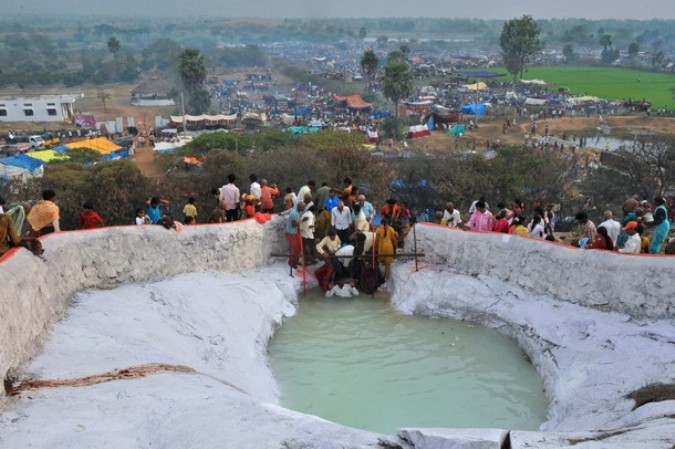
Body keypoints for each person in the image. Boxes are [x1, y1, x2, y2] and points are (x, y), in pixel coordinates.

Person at [286, 202, 304, 269]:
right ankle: (292, 263)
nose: (304, 208)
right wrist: (301, 221)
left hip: (295, 232)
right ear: (299, 207)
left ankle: (295, 261)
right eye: (303, 207)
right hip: (291, 233)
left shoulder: (297, 212)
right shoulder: (294, 213)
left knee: (299, 248)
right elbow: (294, 225)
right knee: (294, 249)